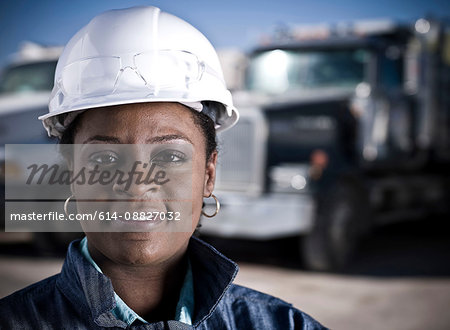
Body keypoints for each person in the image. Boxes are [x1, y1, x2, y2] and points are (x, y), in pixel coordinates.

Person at [0, 6, 326, 329]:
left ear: (208, 175)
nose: (137, 184)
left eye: (170, 156)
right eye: (104, 159)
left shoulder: (283, 325)